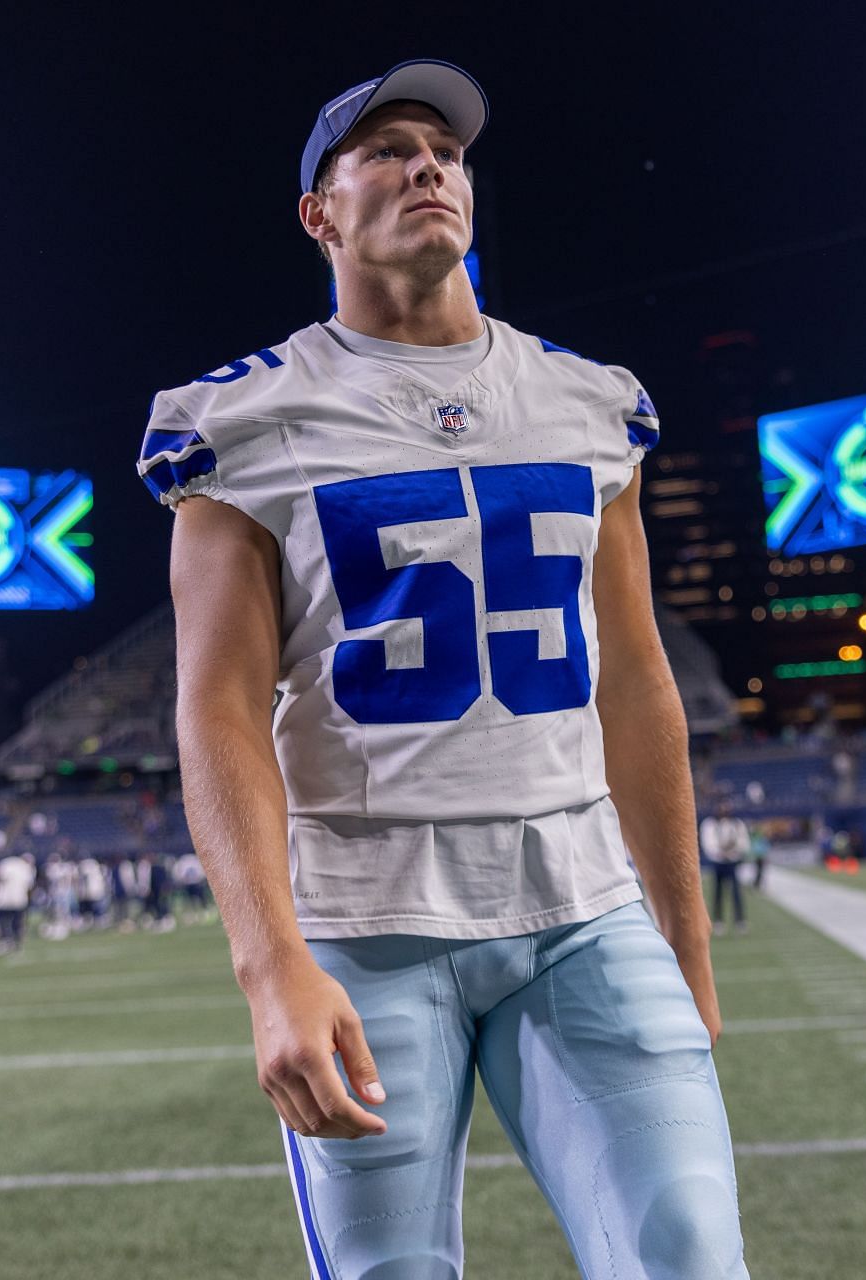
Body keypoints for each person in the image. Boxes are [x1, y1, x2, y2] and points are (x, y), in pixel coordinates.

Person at [140, 59, 744, 1277]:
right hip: (366, 923)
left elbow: (635, 683)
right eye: (388, 149)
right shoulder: (242, 419)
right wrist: (270, 968)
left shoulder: (588, 402)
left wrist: (687, 940)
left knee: (686, 1251)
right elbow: (217, 707)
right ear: (320, 212)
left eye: (448, 152)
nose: (430, 166)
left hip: (580, 903)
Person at [698, 805, 749, 931]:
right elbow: (708, 844)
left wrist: (732, 852)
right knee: (717, 892)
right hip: (718, 862)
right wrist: (720, 852)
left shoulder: (737, 824)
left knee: (736, 892)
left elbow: (743, 843)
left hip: (732, 861)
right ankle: (718, 920)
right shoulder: (710, 824)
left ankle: (740, 920)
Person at [0, 851, 33, 951]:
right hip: (19, 899)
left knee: (5, 922)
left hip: (5, 899)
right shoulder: (24, 867)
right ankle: (16, 943)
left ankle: (7, 941)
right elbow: (29, 886)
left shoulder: (5, 863)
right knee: (16, 922)